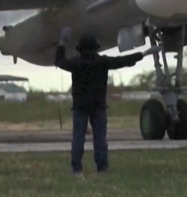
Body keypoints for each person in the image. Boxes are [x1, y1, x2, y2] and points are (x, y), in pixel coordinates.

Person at [54, 27, 160, 175]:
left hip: (80, 107)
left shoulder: (76, 64)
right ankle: (102, 168)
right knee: (100, 138)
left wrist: (62, 43)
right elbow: (124, 61)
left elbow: (59, 61)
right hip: (99, 106)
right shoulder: (102, 62)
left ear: (80, 49)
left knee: (78, 137)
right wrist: (145, 53)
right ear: (96, 47)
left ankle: (77, 168)